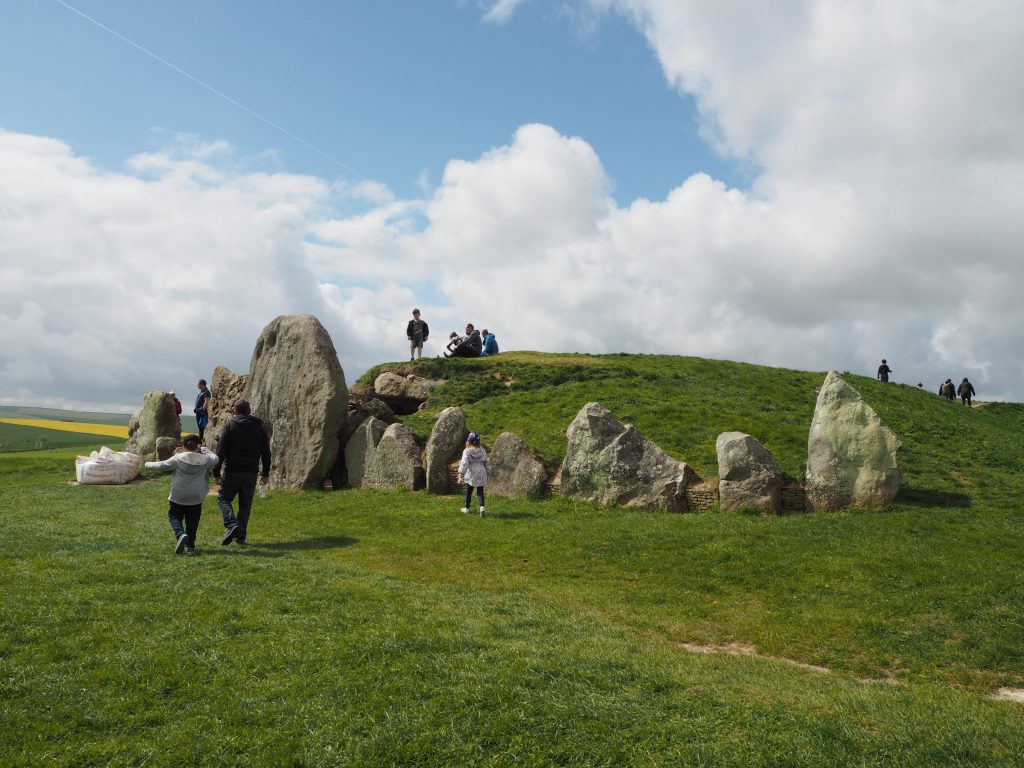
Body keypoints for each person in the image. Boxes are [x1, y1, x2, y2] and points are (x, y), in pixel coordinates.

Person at [144, 434, 219, 555]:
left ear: (183, 446)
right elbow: (216, 458)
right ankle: (190, 546)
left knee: (174, 516)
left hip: (178, 495)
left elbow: (162, 465)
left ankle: (180, 534)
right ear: (198, 446)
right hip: (196, 496)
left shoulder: (178, 459)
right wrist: (204, 449)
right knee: (192, 521)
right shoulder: (205, 460)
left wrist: (147, 464)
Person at [214, 400, 271, 547]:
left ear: (235, 411)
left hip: (232, 470)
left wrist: (216, 472)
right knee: (245, 505)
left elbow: (221, 451)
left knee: (223, 498)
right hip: (251, 472)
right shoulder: (259, 428)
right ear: (249, 410)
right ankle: (241, 537)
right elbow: (266, 452)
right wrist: (265, 472)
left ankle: (231, 524)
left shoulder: (230, 426)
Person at [458, 432, 490, 517]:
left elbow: (465, 463)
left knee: (469, 491)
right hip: (481, 471)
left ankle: (467, 508)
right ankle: (482, 508)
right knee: (480, 491)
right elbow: (486, 462)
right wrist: (488, 472)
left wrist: (461, 474)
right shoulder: (482, 450)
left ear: (469, 441)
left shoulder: (467, 451)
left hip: (471, 472)